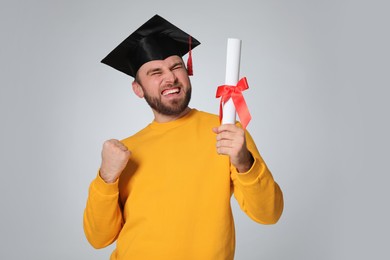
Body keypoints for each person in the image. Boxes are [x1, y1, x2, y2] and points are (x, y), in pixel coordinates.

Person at [83, 14, 283, 260]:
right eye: (155, 72)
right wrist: (106, 177)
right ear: (138, 89)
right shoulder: (125, 152)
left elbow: (269, 214)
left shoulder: (226, 132)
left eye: (176, 66)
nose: (170, 77)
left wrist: (244, 162)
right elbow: (98, 238)